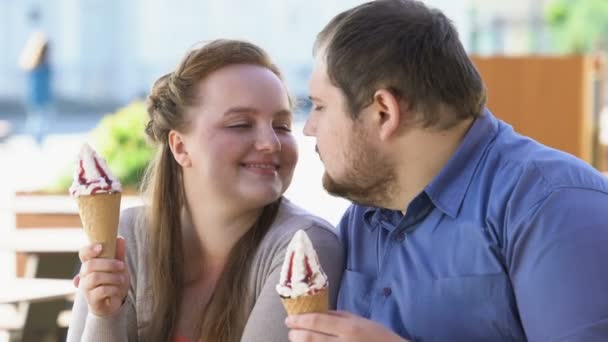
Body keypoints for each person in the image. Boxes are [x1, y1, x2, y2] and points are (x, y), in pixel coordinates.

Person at [286, 0, 608, 341]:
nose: (309, 128)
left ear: (384, 112)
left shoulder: (552, 204)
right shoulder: (364, 217)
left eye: (320, 106)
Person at [66, 39, 344, 342]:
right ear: (180, 146)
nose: (271, 143)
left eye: (281, 125)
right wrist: (105, 316)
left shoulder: (303, 246)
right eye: (240, 124)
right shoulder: (127, 236)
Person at [18, 9, 53, 145]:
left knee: (38, 118)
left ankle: (36, 138)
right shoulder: (38, 65)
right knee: (39, 118)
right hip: (39, 96)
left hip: (39, 96)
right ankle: (37, 138)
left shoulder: (36, 64)